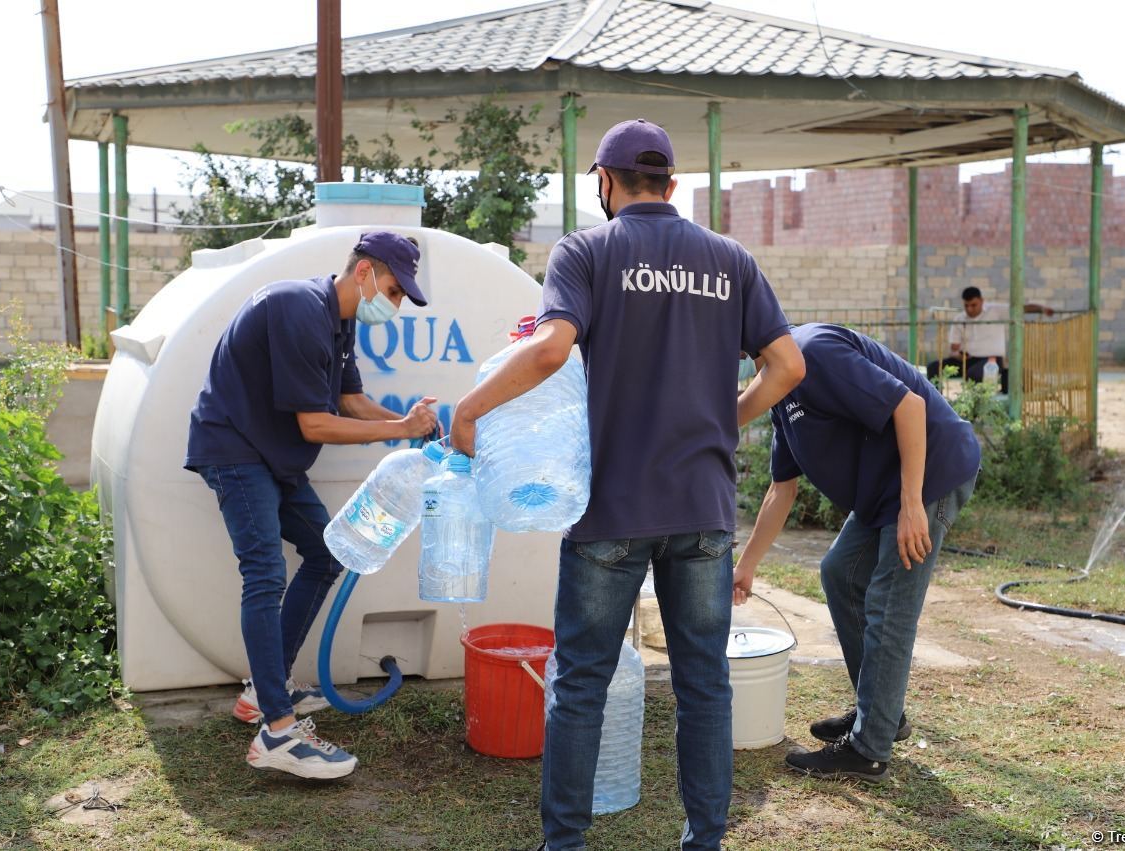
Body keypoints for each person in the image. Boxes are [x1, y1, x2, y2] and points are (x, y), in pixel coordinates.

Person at [450, 119, 805, 851]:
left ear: (605, 185)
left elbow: (550, 348)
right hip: (702, 507)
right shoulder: (730, 259)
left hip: (611, 508)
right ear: (671, 186)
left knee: (580, 683)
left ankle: (566, 842)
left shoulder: (586, 250)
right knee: (703, 683)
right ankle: (705, 838)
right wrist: (726, 417)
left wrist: (471, 407)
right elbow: (789, 366)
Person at [184, 232, 440, 780]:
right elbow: (315, 424)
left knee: (326, 556)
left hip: (272, 457)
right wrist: (398, 429)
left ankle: (262, 692)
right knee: (264, 572)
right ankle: (276, 730)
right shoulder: (298, 307)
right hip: (234, 450)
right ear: (365, 272)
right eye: (394, 291)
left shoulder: (339, 322)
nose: (394, 305)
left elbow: (350, 401)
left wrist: (414, 428)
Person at [733, 323, 980, 783]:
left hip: (929, 473)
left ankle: (869, 749)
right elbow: (780, 489)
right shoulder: (781, 394)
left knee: (889, 602)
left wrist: (912, 505)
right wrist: (745, 567)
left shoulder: (814, 352)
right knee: (840, 572)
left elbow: (909, 407)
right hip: (883, 490)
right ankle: (884, 714)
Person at [926, 286, 1054, 391]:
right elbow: (954, 348)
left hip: (991, 360)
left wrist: (1042, 309)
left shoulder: (996, 311)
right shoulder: (960, 319)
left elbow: (1022, 308)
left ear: (981, 301)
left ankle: (976, 408)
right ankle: (936, 403)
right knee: (933, 367)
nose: (969, 309)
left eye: (973, 305)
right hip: (967, 359)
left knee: (974, 374)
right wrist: (957, 355)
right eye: (966, 305)